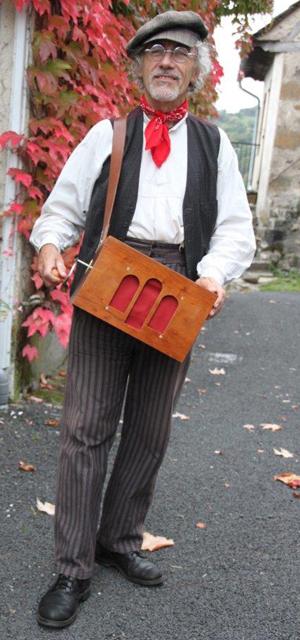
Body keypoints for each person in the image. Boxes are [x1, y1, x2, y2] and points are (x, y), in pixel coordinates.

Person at [30, 10, 256, 629]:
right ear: (136, 66)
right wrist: (50, 247)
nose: (166, 61)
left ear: (196, 71)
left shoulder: (215, 143)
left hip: (179, 291)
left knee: (151, 430)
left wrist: (212, 274)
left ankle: (119, 539)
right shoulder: (107, 134)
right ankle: (73, 568)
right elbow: (60, 211)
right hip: (109, 283)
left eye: (180, 53)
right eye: (155, 51)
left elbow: (237, 228)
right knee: (85, 429)